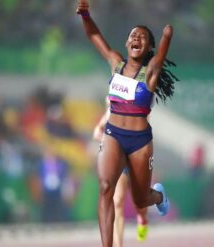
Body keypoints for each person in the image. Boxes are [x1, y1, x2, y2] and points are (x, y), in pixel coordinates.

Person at [77, 1, 178, 246]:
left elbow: (162, 53)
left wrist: (166, 35)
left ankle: (158, 196)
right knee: (105, 188)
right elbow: (94, 36)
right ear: (126, 42)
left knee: (140, 199)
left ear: (148, 47)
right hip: (113, 135)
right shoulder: (116, 63)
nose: (136, 38)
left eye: (142, 37)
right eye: (133, 35)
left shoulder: (151, 72)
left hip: (139, 142)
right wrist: (86, 15)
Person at [93, 99, 148, 246]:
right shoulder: (113, 97)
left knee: (140, 200)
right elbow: (101, 125)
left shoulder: (141, 92)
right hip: (120, 153)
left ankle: (142, 218)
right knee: (118, 202)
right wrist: (99, 130)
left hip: (137, 150)